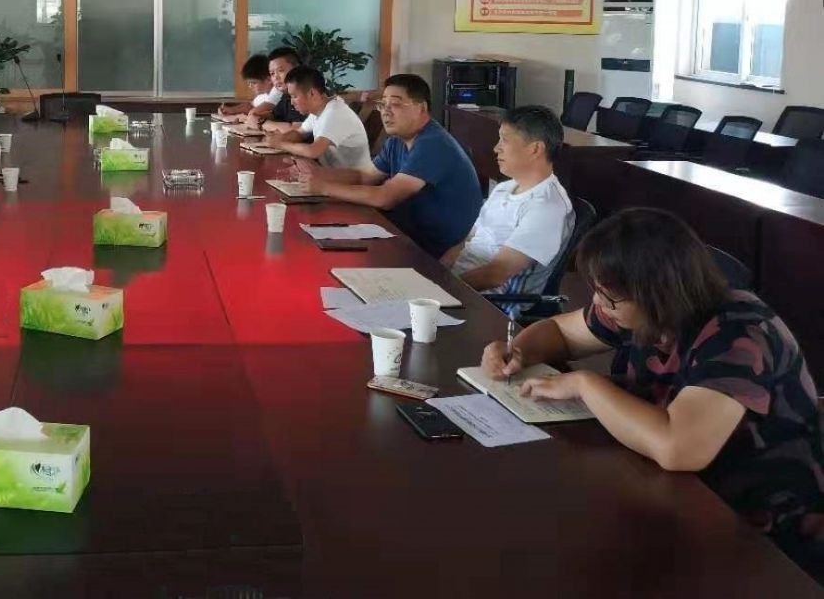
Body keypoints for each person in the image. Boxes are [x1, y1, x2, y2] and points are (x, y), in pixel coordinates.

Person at [481, 208, 824, 581]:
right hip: (675, 495)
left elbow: (679, 448)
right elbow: (561, 333)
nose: (599, 306)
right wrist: (518, 352)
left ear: (654, 292)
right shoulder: (645, 310)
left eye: (610, 299)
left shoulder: (740, 334)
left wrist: (585, 384)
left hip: (763, 537)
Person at [296, 73, 482, 257]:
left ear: (422, 108)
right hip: (400, 231)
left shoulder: (433, 143)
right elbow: (364, 176)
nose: (386, 111)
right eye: (383, 104)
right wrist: (316, 174)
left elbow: (385, 197)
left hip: (428, 249)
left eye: (395, 104)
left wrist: (324, 187)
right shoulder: (397, 141)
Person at [442, 105, 574, 317]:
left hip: (491, 305)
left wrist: (442, 290)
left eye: (505, 140)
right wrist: (438, 273)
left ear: (535, 149)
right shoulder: (504, 188)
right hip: (458, 287)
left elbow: (495, 275)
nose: (496, 148)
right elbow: (468, 240)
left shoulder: (548, 206)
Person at [264, 66, 373, 171]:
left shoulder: (335, 113)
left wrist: (281, 144)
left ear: (312, 93)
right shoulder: (319, 110)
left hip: (353, 178)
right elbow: (299, 133)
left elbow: (313, 151)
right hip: (332, 173)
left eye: (294, 96)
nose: (292, 103)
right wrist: (280, 138)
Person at [250, 46, 307, 131]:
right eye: (272, 73)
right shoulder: (286, 95)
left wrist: (261, 124)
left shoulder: (304, 94)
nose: (276, 77)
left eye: (281, 71)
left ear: (296, 69)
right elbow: (274, 115)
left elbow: (296, 130)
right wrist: (256, 117)